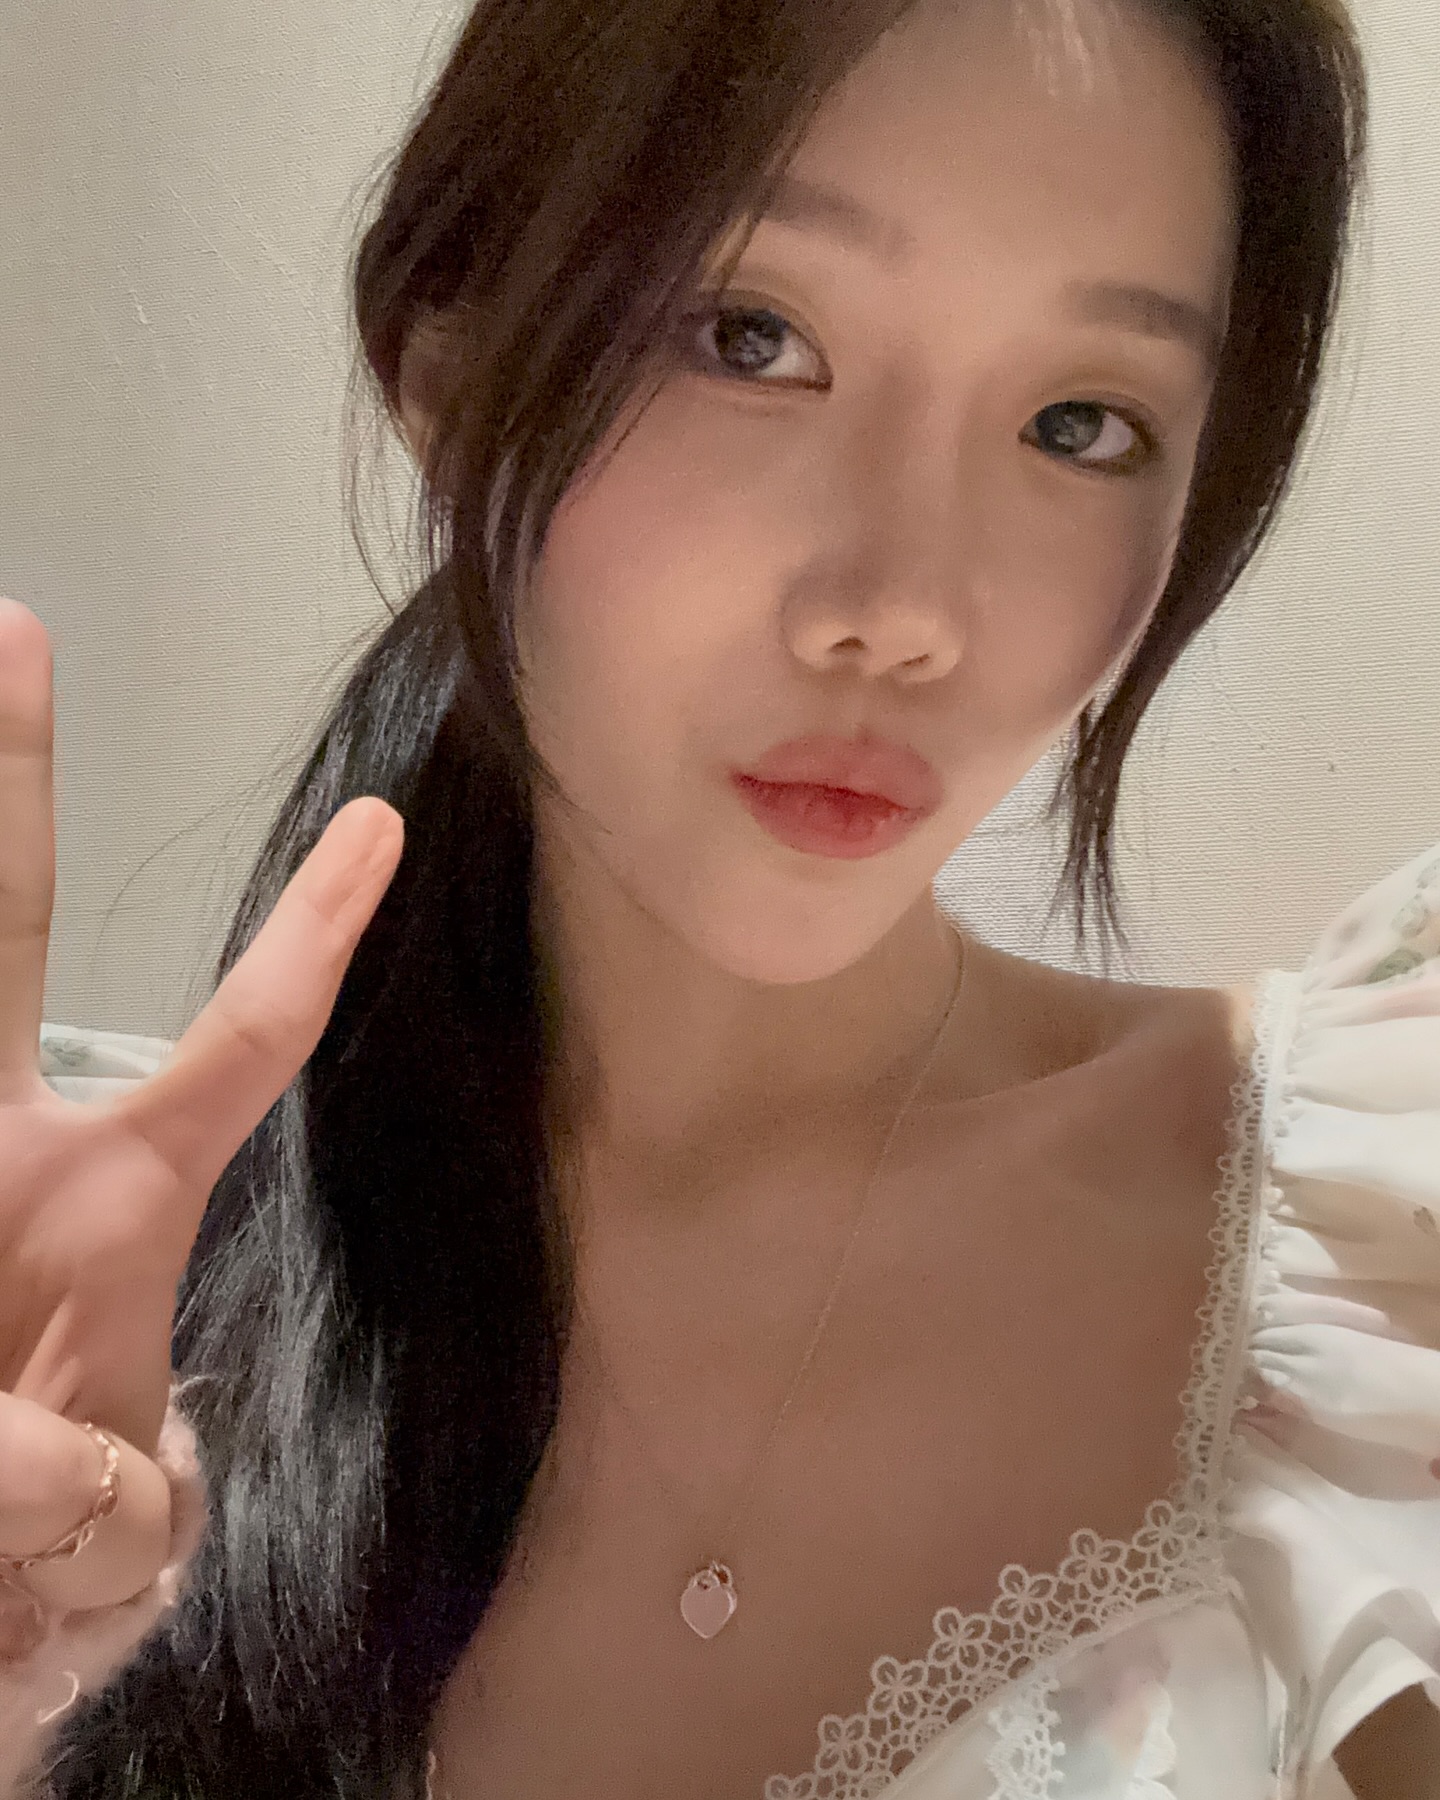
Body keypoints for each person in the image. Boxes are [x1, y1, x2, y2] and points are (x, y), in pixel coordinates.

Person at [2, 0, 1437, 1792]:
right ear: (448, 378)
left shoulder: (1374, 1267)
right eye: (754, 338)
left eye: (1081, 423)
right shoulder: (108, 1302)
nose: (903, 609)